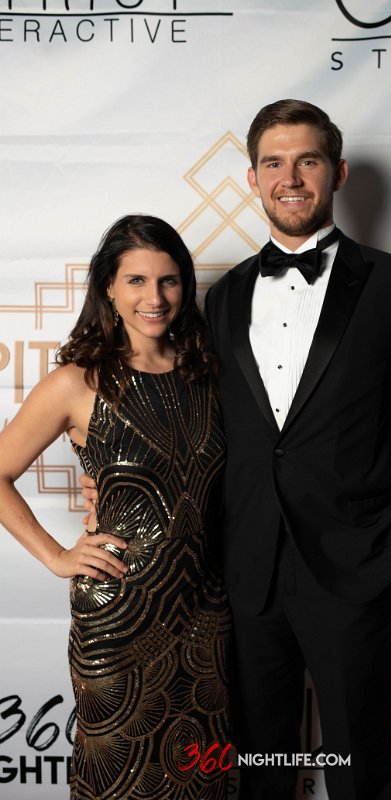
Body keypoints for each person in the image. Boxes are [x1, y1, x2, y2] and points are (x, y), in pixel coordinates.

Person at [202, 99, 391, 800]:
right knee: (261, 767)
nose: (289, 178)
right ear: (253, 179)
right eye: (273, 163)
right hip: (248, 568)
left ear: (338, 172)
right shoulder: (222, 297)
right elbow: (202, 425)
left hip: (355, 563)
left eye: (308, 161)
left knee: (359, 768)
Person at [0, 214, 231, 800]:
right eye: (136, 280)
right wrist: (57, 556)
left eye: (169, 280)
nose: (155, 298)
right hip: (118, 615)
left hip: (208, 611)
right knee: (118, 775)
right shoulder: (77, 383)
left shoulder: (211, 372)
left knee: (204, 778)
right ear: (108, 287)